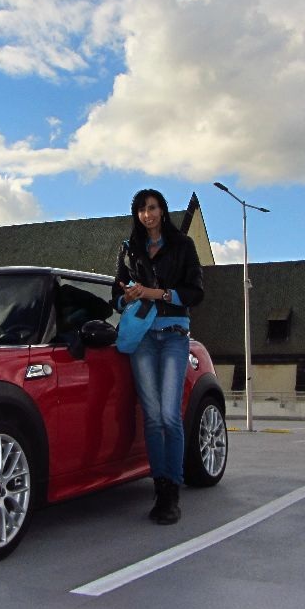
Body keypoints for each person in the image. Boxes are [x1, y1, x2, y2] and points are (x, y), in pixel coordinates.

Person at [112, 188, 204, 525]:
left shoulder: (183, 246)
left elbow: (195, 292)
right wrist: (127, 296)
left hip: (174, 335)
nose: (147, 214)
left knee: (169, 416)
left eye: (152, 208)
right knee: (152, 417)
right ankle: (161, 488)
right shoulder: (129, 249)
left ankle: (174, 489)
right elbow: (115, 297)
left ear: (163, 210)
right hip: (143, 338)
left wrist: (157, 293)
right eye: (141, 209)